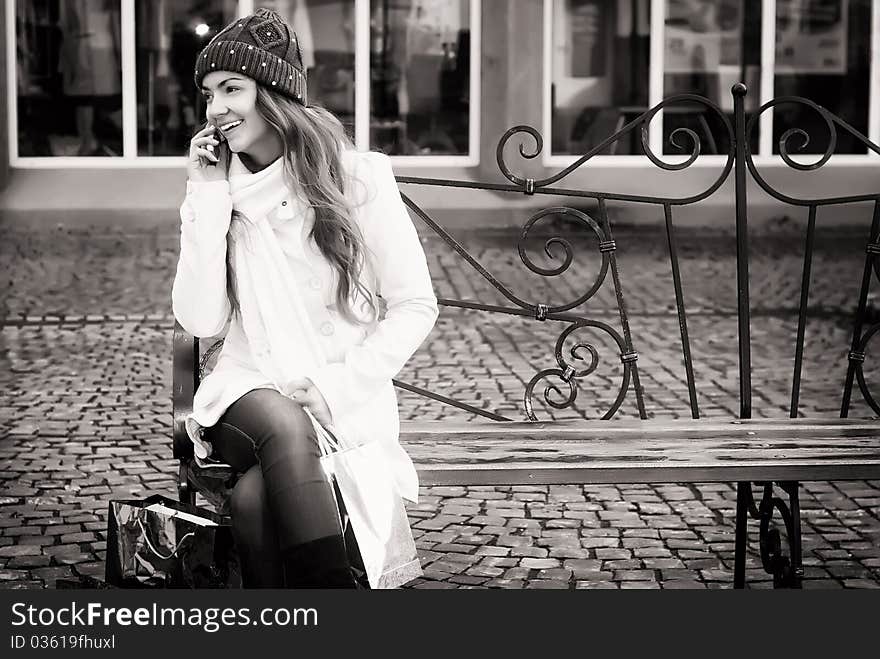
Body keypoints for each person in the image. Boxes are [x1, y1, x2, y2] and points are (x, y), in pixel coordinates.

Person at [171, 8, 439, 589]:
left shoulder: (358, 179)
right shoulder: (221, 195)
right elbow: (199, 319)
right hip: (248, 390)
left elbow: (416, 305)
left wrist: (335, 387)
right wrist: (208, 197)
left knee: (253, 501)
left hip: (340, 393)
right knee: (285, 424)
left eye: (233, 89)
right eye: (209, 93)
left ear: (276, 93)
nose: (216, 108)